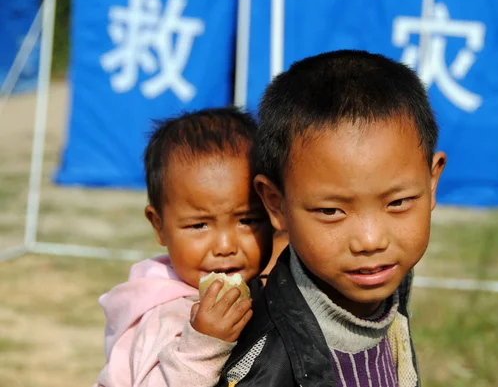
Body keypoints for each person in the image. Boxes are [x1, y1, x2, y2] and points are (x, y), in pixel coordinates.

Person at [217, 50, 447, 387]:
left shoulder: (393, 283)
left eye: (398, 202)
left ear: (431, 182)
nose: (371, 241)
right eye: (331, 211)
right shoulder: (262, 366)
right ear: (276, 204)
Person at [95, 108, 273, 387]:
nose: (225, 246)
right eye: (199, 225)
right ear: (159, 226)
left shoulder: (266, 287)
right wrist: (203, 346)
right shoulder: (166, 316)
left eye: (247, 220)